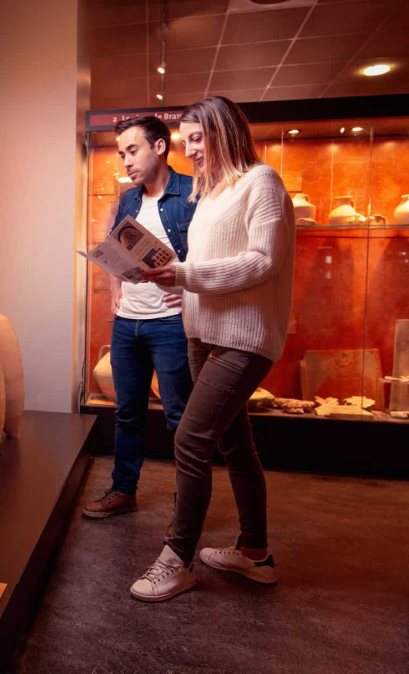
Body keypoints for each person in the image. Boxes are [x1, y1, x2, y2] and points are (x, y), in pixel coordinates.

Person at [129, 96, 295, 602]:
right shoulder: (212, 193)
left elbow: (263, 260)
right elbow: (212, 267)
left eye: (198, 138)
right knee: (235, 445)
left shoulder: (261, 182)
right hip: (202, 334)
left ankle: (176, 558)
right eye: (187, 141)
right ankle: (255, 554)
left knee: (190, 439)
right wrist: (182, 288)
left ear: (226, 132)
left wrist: (185, 275)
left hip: (243, 339)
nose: (191, 150)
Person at [82, 116, 195, 519]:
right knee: (127, 413)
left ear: (159, 147)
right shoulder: (129, 199)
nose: (126, 161)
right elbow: (117, 248)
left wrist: (192, 293)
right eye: (121, 154)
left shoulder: (192, 193)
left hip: (171, 324)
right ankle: (123, 490)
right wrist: (115, 286)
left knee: (179, 417)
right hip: (128, 323)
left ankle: (188, 503)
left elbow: (209, 257)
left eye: (133, 151)